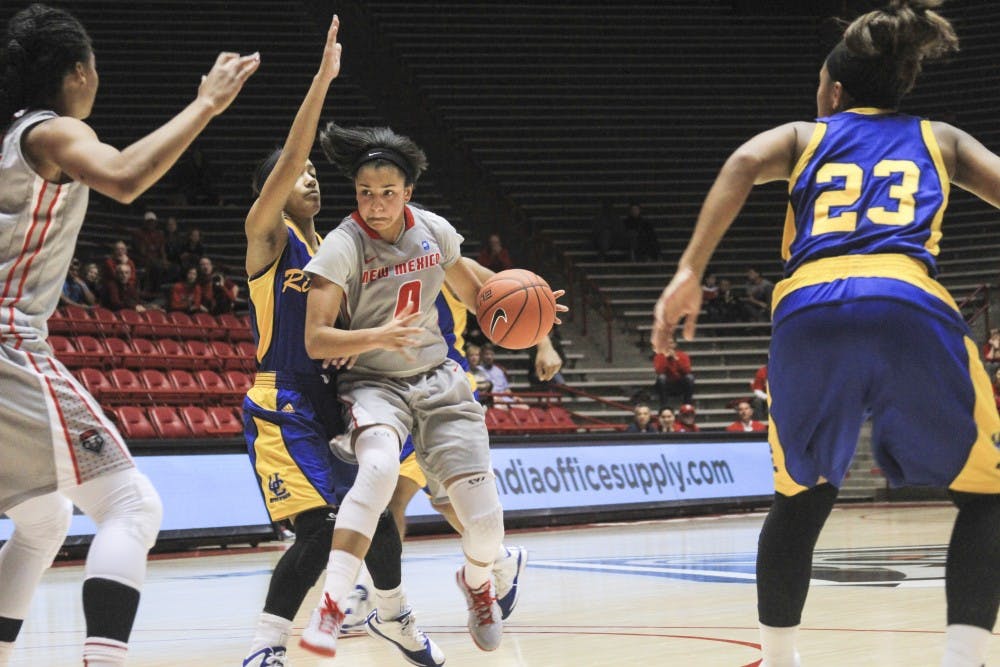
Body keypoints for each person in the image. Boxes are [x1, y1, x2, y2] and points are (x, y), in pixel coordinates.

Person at [651, 3, 1000, 665]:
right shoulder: (940, 138)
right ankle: (963, 657)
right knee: (985, 495)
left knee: (799, 499)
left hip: (808, 306)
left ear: (835, 92)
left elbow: (744, 160)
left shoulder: (806, 136)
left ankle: (780, 661)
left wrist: (691, 269)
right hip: (905, 296)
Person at [0, 5, 257, 665]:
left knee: (43, 518)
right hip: (9, 342)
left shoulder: (11, 140)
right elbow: (124, 176)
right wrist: (206, 104)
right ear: (77, 71)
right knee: (132, 504)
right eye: (95, 68)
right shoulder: (51, 132)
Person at [302, 120, 564, 655]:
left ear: (408, 194)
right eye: (365, 194)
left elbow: (475, 291)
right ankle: (332, 606)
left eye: (388, 194)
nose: (375, 205)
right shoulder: (341, 245)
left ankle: (478, 579)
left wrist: (532, 320)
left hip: (441, 383)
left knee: (485, 527)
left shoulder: (433, 231)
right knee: (378, 472)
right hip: (374, 383)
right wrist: (376, 334)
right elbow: (315, 340)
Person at [238, 18, 442, 667]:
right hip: (283, 400)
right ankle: (265, 645)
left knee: (373, 517)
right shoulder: (270, 240)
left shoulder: (337, 251)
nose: (310, 182)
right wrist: (323, 82)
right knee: (322, 528)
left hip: (330, 398)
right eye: (295, 178)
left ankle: (396, 613)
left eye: (310, 178)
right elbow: (294, 160)